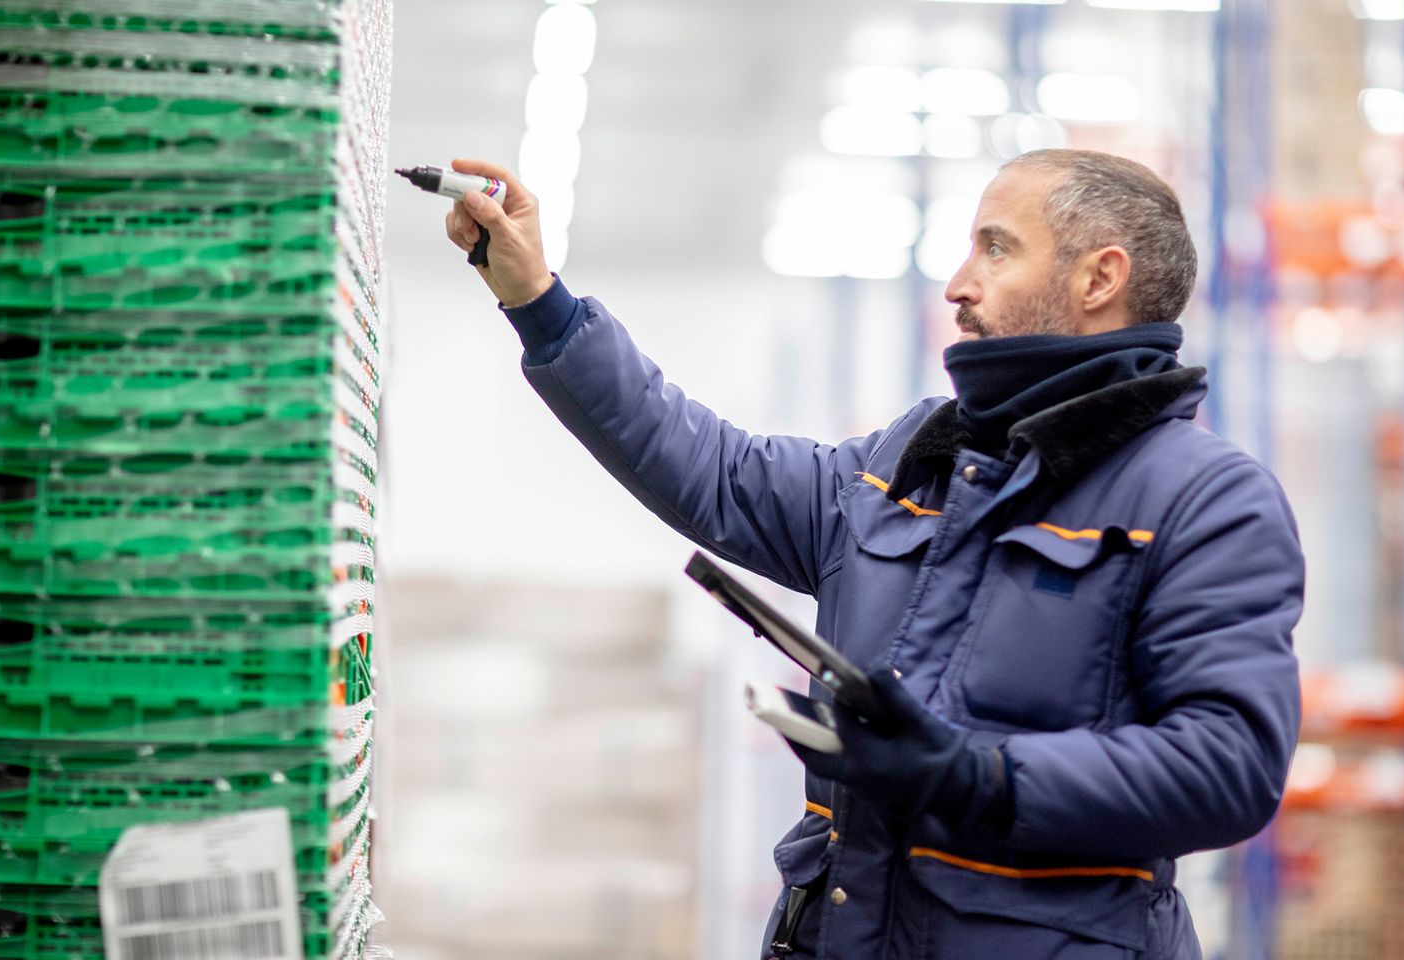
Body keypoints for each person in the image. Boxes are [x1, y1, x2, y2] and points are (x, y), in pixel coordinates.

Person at [440, 149, 1303, 960]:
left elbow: (1229, 764)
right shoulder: (912, 464)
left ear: (1099, 278)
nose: (959, 285)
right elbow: (714, 471)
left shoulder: (1204, 499)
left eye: (995, 250)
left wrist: (981, 777)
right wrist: (539, 301)